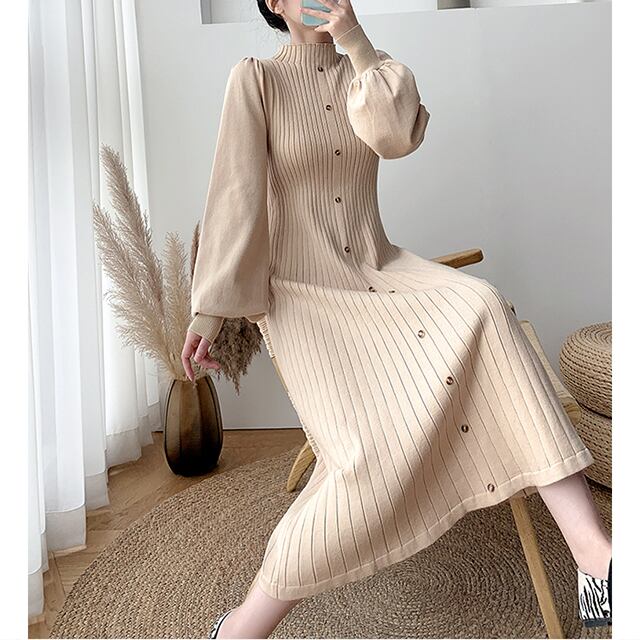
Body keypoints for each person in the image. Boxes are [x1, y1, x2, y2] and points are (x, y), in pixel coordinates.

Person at [181, 0, 612, 637]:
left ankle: (596, 560)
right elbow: (234, 198)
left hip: (380, 271)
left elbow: (396, 138)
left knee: (483, 304)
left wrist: (356, 43)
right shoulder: (256, 79)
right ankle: (245, 624)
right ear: (273, 3)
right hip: (305, 298)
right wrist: (209, 312)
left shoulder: (371, 71)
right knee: (361, 461)